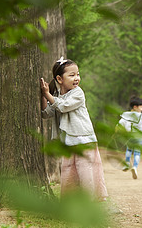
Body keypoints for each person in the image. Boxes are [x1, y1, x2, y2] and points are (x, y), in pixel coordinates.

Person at [40, 57, 108, 201]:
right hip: (68, 142)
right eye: (72, 75)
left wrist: (47, 95)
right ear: (59, 79)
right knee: (69, 172)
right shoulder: (57, 96)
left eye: (77, 74)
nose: (76, 78)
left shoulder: (78, 93)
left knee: (86, 172)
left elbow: (63, 107)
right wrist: (44, 95)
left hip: (83, 139)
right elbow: (46, 114)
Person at [118, 96, 142, 179]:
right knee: (137, 152)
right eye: (141, 107)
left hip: (129, 136)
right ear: (135, 107)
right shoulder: (140, 116)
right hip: (138, 136)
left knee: (129, 150)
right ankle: (135, 167)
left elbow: (120, 124)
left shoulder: (126, 115)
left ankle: (127, 164)